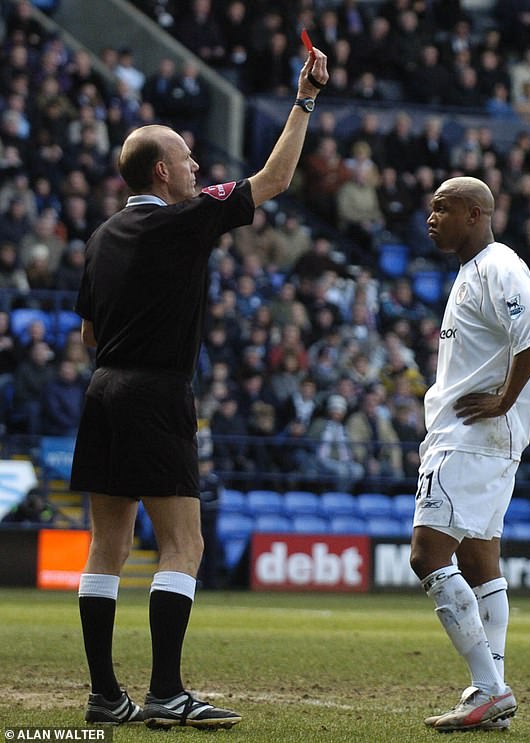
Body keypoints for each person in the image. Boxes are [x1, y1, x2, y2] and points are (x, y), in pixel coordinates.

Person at [69, 46, 329, 729]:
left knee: (107, 546)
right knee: (184, 544)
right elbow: (273, 179)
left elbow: (89, 335)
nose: (196, 166)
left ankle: (104, 694)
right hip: (156, 391)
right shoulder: (184, 219)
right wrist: (304, 99)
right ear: (161, 171)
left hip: (101, 391)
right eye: (186, 157)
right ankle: (164, 693)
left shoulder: (99, 236)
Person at [410, 176, 530, 732]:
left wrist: (503, 400)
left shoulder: (498, 265)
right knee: (478, 560)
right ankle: (489, 686)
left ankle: (490, 690)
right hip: (483, 441)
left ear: (474, 213)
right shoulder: (472, 272)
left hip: (470, 437)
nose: (431, 217)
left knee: (427, 554)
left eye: (442, 209)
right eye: (430, 209)